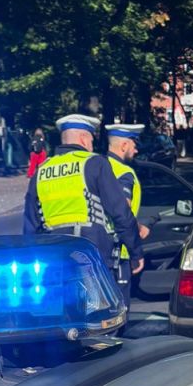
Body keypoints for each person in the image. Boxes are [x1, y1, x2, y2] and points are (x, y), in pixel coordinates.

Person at [23, 114, 144, 286]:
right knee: (97, 302)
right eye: (92, 140)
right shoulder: (94, 163)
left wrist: (33, 260)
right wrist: (135, 252)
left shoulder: (41, 171)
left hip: (55, 259)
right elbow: (120, 211)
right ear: (83, 139)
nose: (92, 145)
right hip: (93, 256)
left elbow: (30, 225)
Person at [105, 123, 151, 309]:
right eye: (134, 145)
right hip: (118, 252)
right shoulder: (123, 172)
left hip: (97, 248)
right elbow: (122, 210)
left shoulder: (94, 168)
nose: (136, 150)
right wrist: (135, 251)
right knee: (119, 312)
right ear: (124, 145)